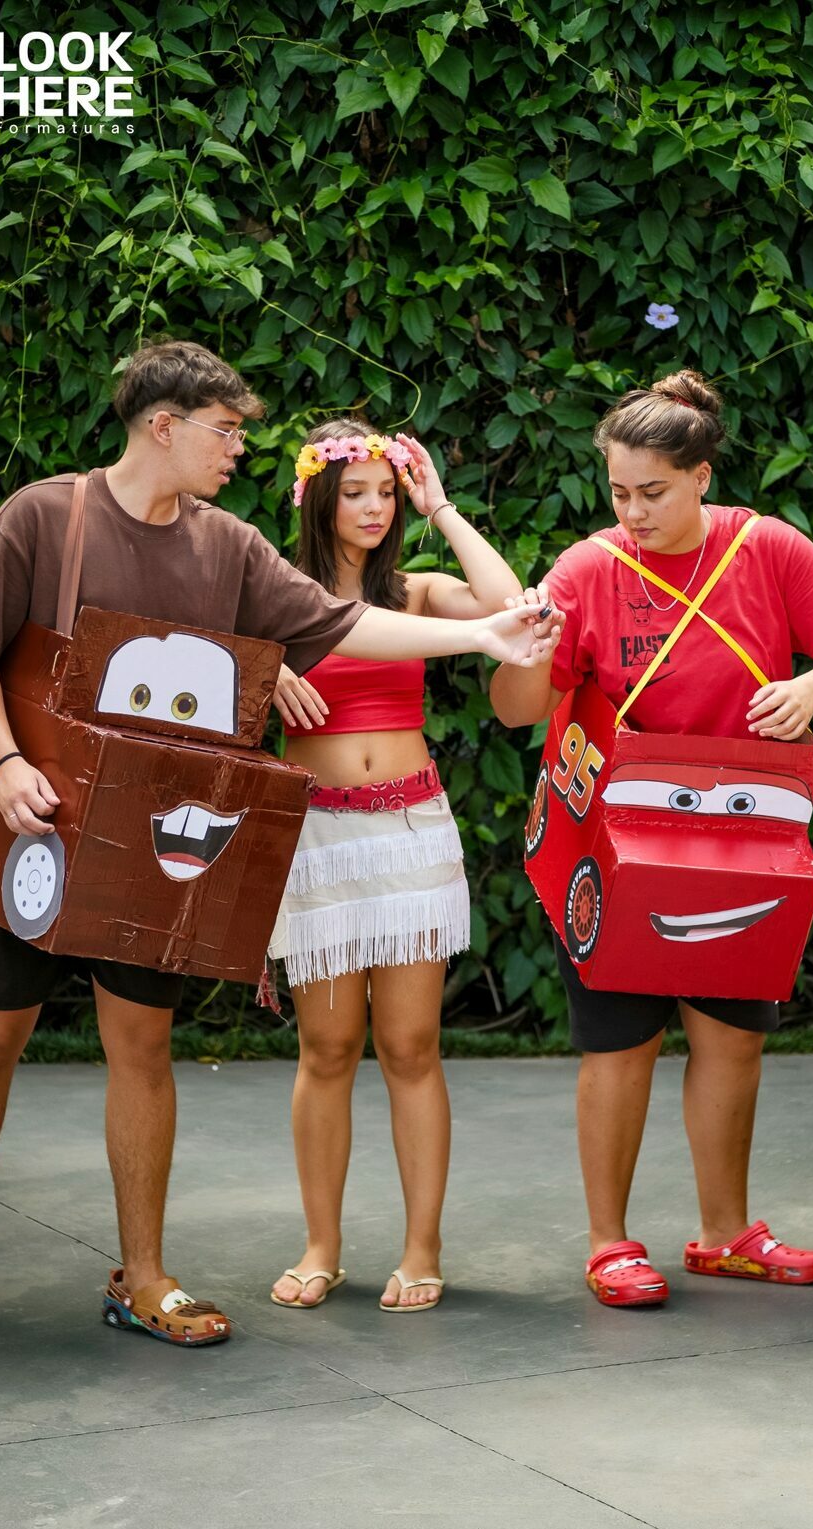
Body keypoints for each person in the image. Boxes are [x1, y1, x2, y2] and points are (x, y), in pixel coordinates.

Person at [0, 341, 559, 1346]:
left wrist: (478, 637)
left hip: (152, 841)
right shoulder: (44, 514)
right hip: (27, 821)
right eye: (225, 430)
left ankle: (144, 1275)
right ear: (161, 426)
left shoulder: (231, 546)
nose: (239, 448)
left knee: (143, 1048)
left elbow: (345, 624)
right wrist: (1, 763)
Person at [490, 368, 813, 1309]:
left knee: (733, 1040)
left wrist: (809, 688)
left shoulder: (766, 546)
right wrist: (526, 650)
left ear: (702, 476)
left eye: (652, 493)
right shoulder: (587, 568)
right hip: (613, 840)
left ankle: (723, 1235)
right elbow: (515, 710)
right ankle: (608, 1243)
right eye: (617, 492)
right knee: (618, 1044)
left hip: (741, 838)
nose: (631, 513)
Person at [267, 421, 546, 1313]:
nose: (375, 509)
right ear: (317, 496)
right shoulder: (275, 594)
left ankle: (422, 1248)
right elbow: (204, 664)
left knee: (411, 1047)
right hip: (315, 835)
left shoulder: (414, 591)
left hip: (410, 831)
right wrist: (260, 672)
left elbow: (510, 608)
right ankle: (321, 1245)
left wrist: (442, 508)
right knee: (325, 1048)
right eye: (356, 493)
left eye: (386, 494)